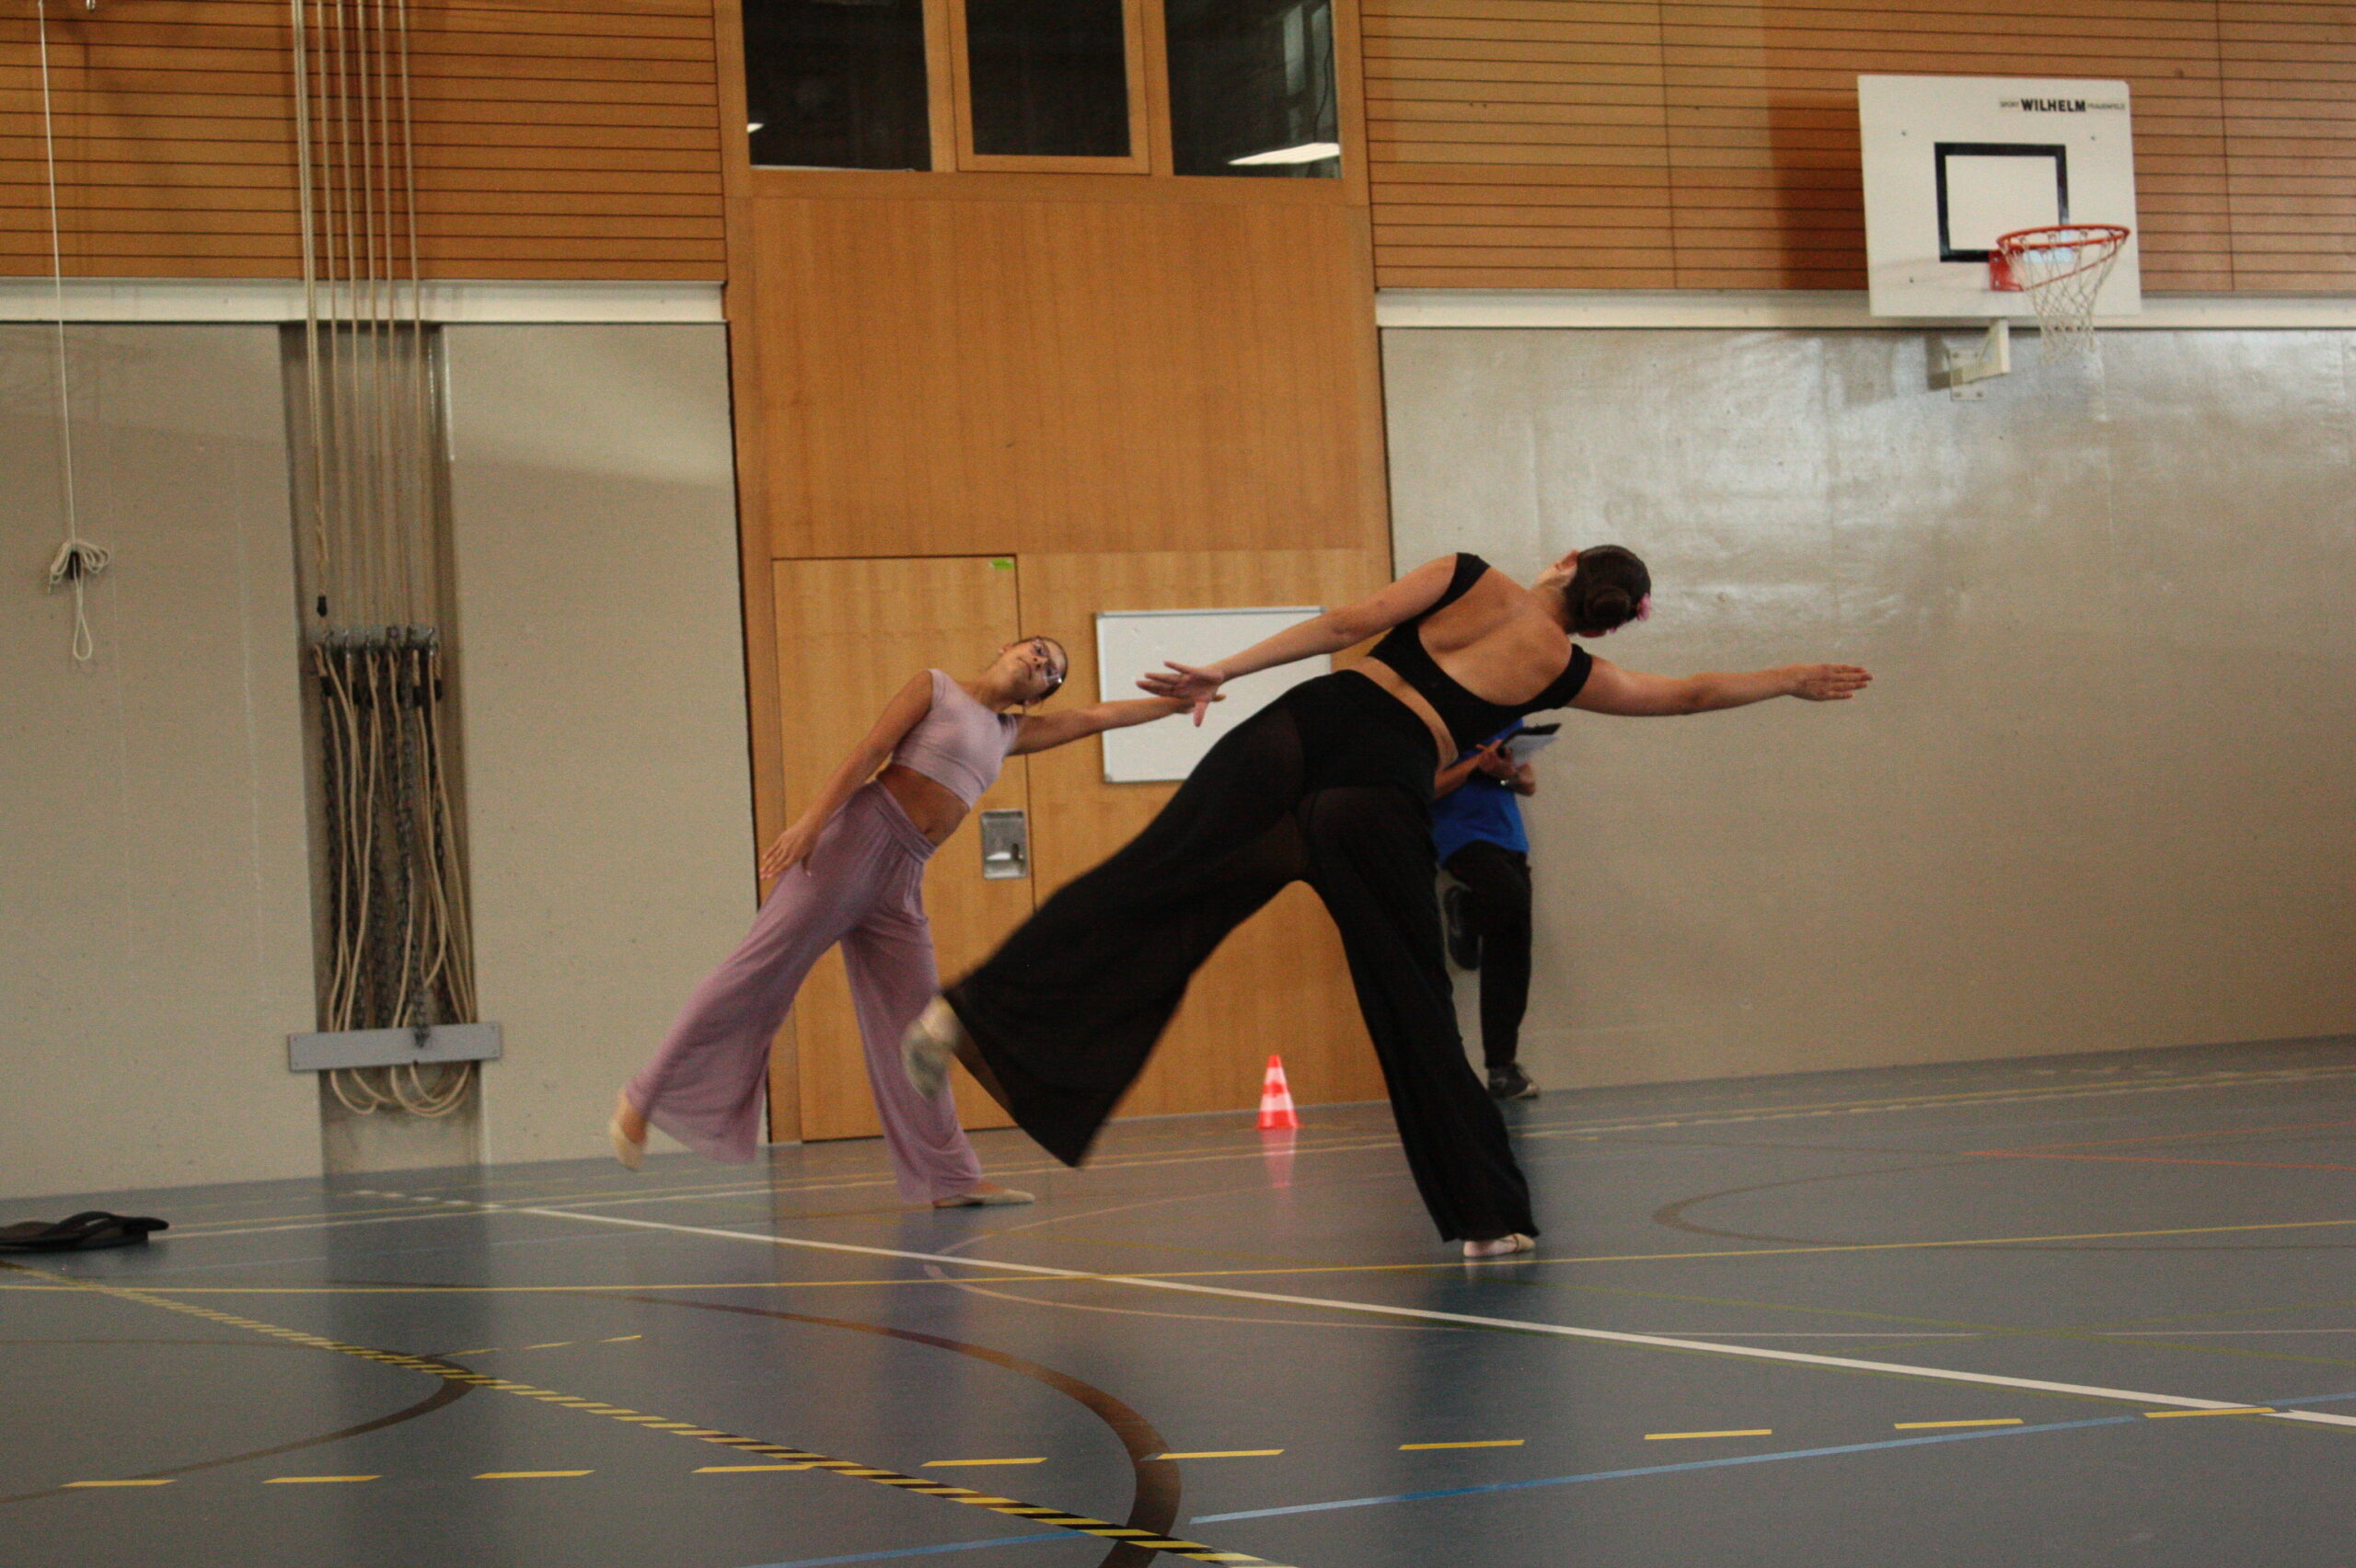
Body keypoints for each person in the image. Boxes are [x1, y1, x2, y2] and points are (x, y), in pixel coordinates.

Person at [905, 548, 1871, 1255]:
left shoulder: (1467, 574)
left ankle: (968, 1011)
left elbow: (1340, 625)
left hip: (1301, 725)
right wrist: (1788, 678)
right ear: (1604, 622)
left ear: (1565, 565)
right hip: (1379, 783)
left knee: (1149, 882)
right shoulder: (1567, 667)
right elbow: (1686, 695)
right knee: (1410, 999)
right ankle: (1486, 1221)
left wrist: (1223, 669)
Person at [611, 636, 1202, 1209]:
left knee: (916, 1029)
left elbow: (1096, 716)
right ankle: (645, 1097)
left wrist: (1176, 704)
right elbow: (870, 751)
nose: (1040, 662)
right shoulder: (935, 688)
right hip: (853, 844)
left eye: (1052, 671)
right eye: (1037, 650)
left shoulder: (1009, 733)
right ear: (1006, 648)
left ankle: (948, 1177)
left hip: (903, 874)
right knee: (758, 975)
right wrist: (811, 823)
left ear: (1036, 698)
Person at [1433, 722, 1543, 1101]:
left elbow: (1528, 784)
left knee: (1513, 952)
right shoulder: (1434, 720)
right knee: (1508, 899)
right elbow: (1423, 788)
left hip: (1509, 837)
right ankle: (1464, 909)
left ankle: (1502, 1067)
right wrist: (1475, 766)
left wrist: (1505, 773)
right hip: (1458, 834)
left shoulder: (1509, 720)